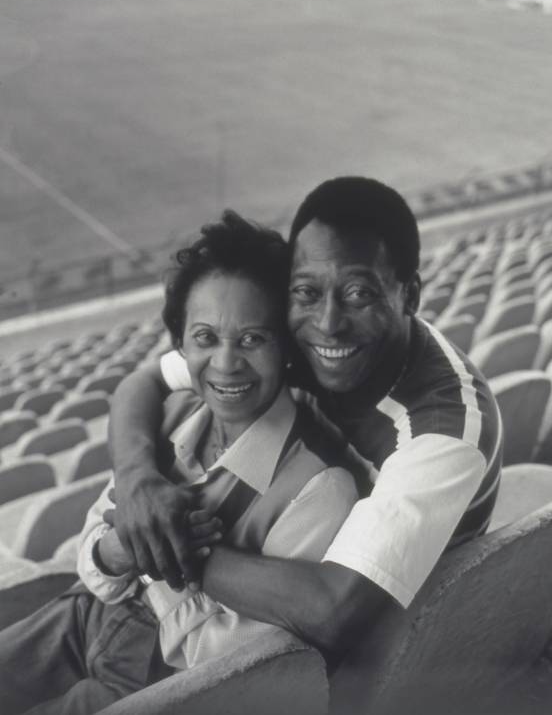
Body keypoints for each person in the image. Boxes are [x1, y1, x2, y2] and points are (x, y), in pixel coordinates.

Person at [108, 176, 503, 657]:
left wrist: (166, 542)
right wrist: (136, 480)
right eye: (307, 292)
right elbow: (145, 382)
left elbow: (334, 611)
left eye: (359, 293)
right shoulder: (302, 340)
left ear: (410, 295)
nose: (328, 323)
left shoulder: (444, 430)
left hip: (395, 642)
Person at [0, 212, 357, 714]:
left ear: (287, 347)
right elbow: (94, 558)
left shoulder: (319, 487)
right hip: (86, 613)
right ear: (181, 344)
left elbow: (238, 661)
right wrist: (124, 547)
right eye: (206, 338)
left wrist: (157, 548)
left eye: (253, 338)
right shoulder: (172, 414)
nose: (227, 362)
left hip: (157, 679)